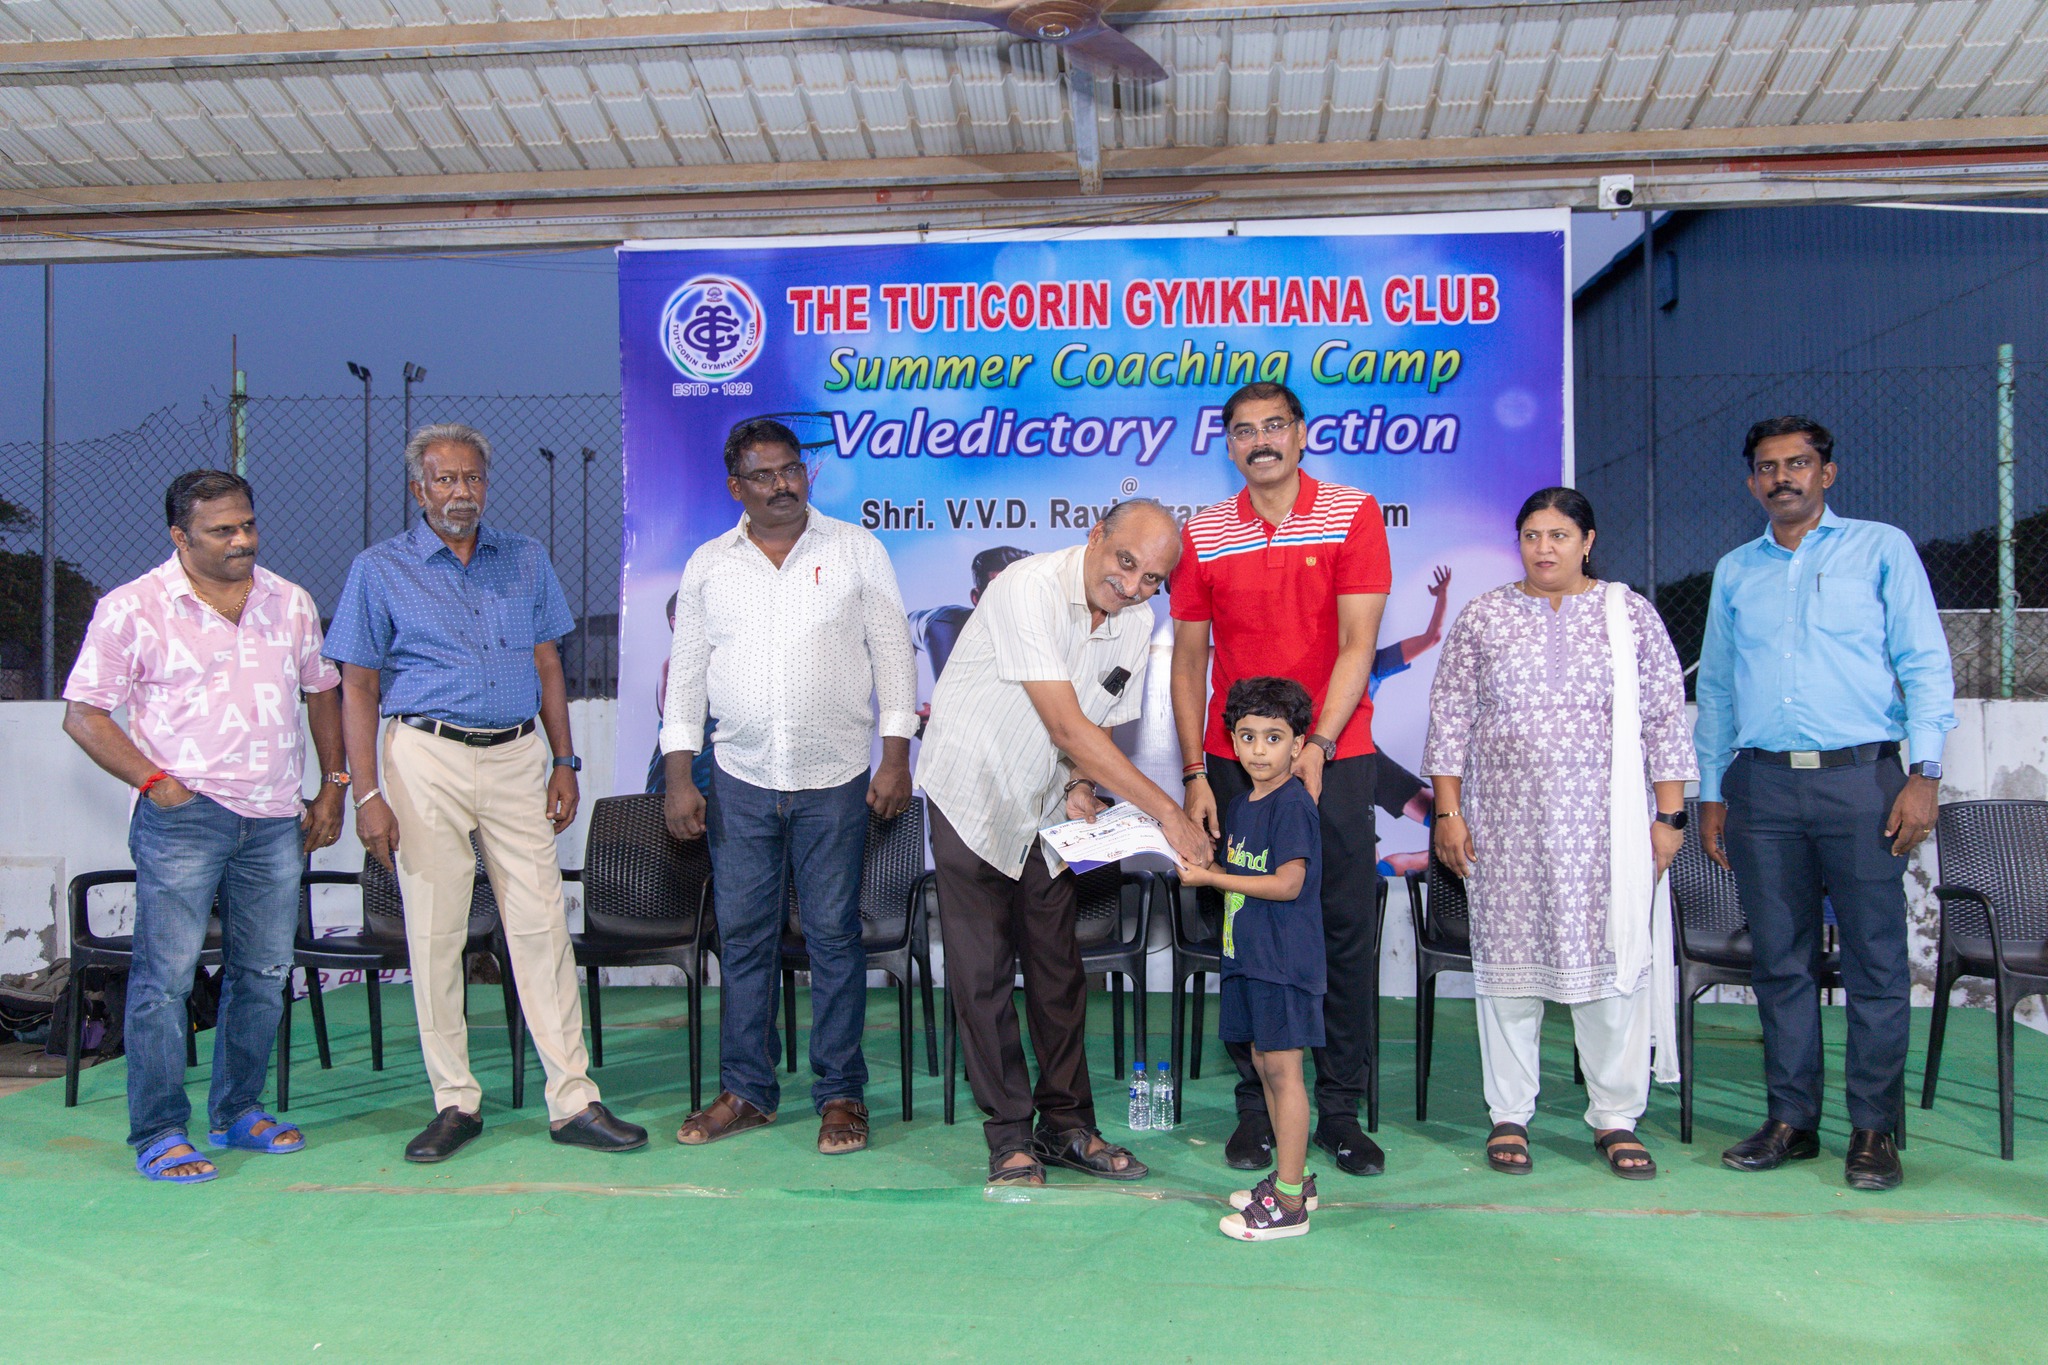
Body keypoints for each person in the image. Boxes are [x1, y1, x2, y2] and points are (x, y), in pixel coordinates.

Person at [325, 422, 646, 1163]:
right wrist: (366, 793)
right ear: (418, 489)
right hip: (424, 756)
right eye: (444, 480)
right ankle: (455, 1101)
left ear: (486, 485)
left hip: (516, 755)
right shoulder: (379, 569)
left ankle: (574, 1100)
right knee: (436, 932)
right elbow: (358, 686)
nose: (460, 492)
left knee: (541, 926)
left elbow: (549, 662)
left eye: (471, 478)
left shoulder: (525, 558)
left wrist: (564, 760)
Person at [61, 470, 348, 1183]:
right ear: (179, 536)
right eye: (222, 530)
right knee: (165, 980)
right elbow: (84, 714)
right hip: (183, 819)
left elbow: (322, 691)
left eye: (248, 524)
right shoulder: (132, 607)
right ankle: (160, 1131)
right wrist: (155, 783)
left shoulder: (289, 601)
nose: (242, 539)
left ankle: (238, 1110)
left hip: (276, 817)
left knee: (264, 972)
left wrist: (333, 785)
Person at [919, 499, 1213, 1186]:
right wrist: (1168, 814)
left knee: (1059, 971)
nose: (1134, 586)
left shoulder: (1136, 620)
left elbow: (1098, 722)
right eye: (1125, 562)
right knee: (984, 974)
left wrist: (1082, 783)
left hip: (1045, 805)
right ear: (1095, 535)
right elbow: (1066, 726)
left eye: (1152, 578)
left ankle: (1068, 1126)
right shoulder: (1026, 587)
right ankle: (1008, 1136)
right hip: (972, 793)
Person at [1696, 416, 1955, 1192]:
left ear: (1826, 473)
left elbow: (1924, 664)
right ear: (1752, 481)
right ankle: (1792, 1120)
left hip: (1863, 781)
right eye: (1768, 466)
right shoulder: (1735, 571)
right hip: (1763, 786)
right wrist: (1711, 790)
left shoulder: (1881, 550)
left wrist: (1925, 773)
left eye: (1798, 463)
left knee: (1876, 960)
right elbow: (1717, 689)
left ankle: (1873, 1130)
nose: (1783, 477)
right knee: (1780, 961)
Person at [660, 417, 918, 1156]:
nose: (782, 485)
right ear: (735, 486)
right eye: (764, 474)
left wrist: (895, 757)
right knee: (744, 937)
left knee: (833, 935)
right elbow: (687, 675)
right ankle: (747, 1090)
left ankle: (840, 1093)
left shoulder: (856, 549)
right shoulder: (709, 564)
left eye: (791, 470)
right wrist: (678, 776)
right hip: (739, 777)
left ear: (806, 474)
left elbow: (894, 655)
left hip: (835, 776)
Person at [1421, 488, 1695, 1179]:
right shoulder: (1484, 616)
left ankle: (1616, 1116)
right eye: (1532, 535)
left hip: (1608, 830)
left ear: (1588, 541)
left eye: (1560, 535)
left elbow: (1665, 717)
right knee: (1508, 973)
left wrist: (1669, 818)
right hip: (1504, 826)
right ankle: (1509, 1113)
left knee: (1610, 967)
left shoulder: (1629, 615)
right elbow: (1449, 716)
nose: (1544, 548)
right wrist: (1448, 813)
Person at [1170, 381, 1392, 1178]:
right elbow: (1188, 659)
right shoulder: (1204, 531)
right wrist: (1195, 769)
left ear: (1301, 434)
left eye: (1274, 426)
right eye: (1243, 430)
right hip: (1234, 765)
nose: (1259, 441)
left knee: (1339, 930)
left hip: (1337, 752)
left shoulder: (1353, 513)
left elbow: (1359, 642)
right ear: (1228, 444)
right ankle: (1258, 1108)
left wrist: (1318, 744)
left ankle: (1338, 1109)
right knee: (1247, 932)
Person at [1178, 677, 1325, 1240]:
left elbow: (1288, 883)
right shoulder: (1240, 805)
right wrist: (1199, 861)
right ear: (1232, 741)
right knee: (1264, 1066)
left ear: (1298, 744)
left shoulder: (1294, 804)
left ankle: (1288, 1203)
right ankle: (1295, 1177)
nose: (1259, 750)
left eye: (1274, 737)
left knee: (1285, 1072)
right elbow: (1241, 875)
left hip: (1283, 962)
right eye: (1247, 736)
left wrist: (1212, 878)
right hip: (1247, 956)